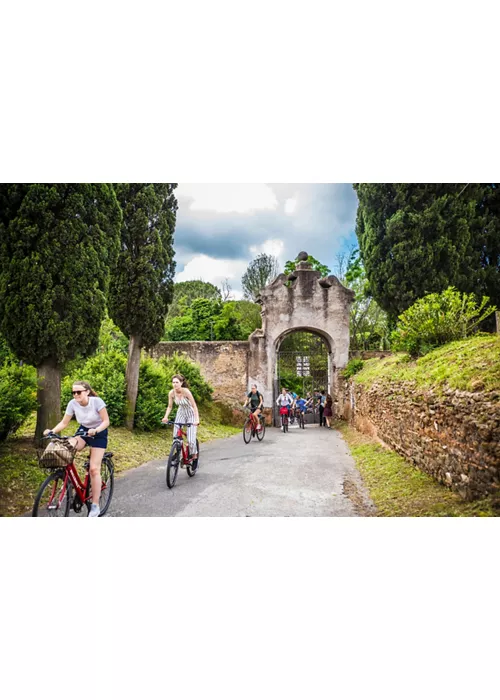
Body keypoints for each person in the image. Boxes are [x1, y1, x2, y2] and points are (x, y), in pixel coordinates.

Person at [43, 381, 110, 517]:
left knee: (94, 469)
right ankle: (71, 481)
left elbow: (106, 421)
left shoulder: (96, 402)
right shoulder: (72, 404)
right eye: (73, 392)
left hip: (99, 432)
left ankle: (95, 506)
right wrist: (52, 431)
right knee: (67, 446)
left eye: (78, 392)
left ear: (87, 392)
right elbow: (64, 422)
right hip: (83, 430)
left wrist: (96, 430)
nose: (75, 395)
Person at [162, 374, 200, 460]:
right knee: (176, 436)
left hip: (191, 414)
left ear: (181, 383)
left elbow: (194, 406)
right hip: (181, 413)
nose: (175, 384)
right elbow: (170, 406)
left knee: (190, 440)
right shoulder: (171, 393)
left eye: (177, 382)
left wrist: (197, 419)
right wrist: (165, 417)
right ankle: (177, 452)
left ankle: (194, 455)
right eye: (173, 382)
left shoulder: (186, 392)